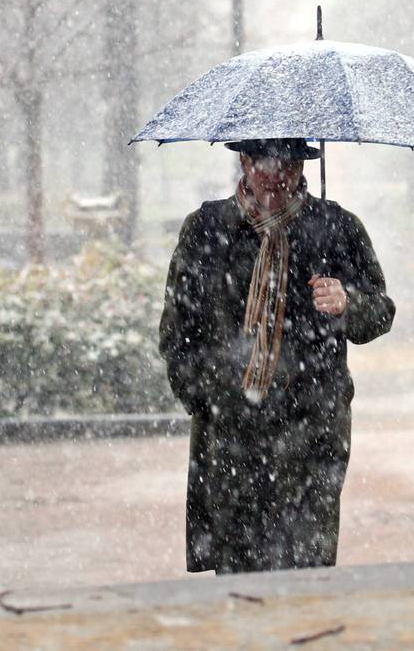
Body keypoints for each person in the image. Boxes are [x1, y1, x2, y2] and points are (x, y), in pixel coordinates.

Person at [159, 137, 395, 574]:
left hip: (314, 436)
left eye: (286, 165)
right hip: (233, 440)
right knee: (240, 578)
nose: (274, 177)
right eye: (263, 163)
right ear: (244, 161)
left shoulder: (336, 228)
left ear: (302, 167)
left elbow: (381, 311)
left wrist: (349, 303)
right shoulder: (208, 228)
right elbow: (178, 332)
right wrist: (211, 397)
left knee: (308, 573)